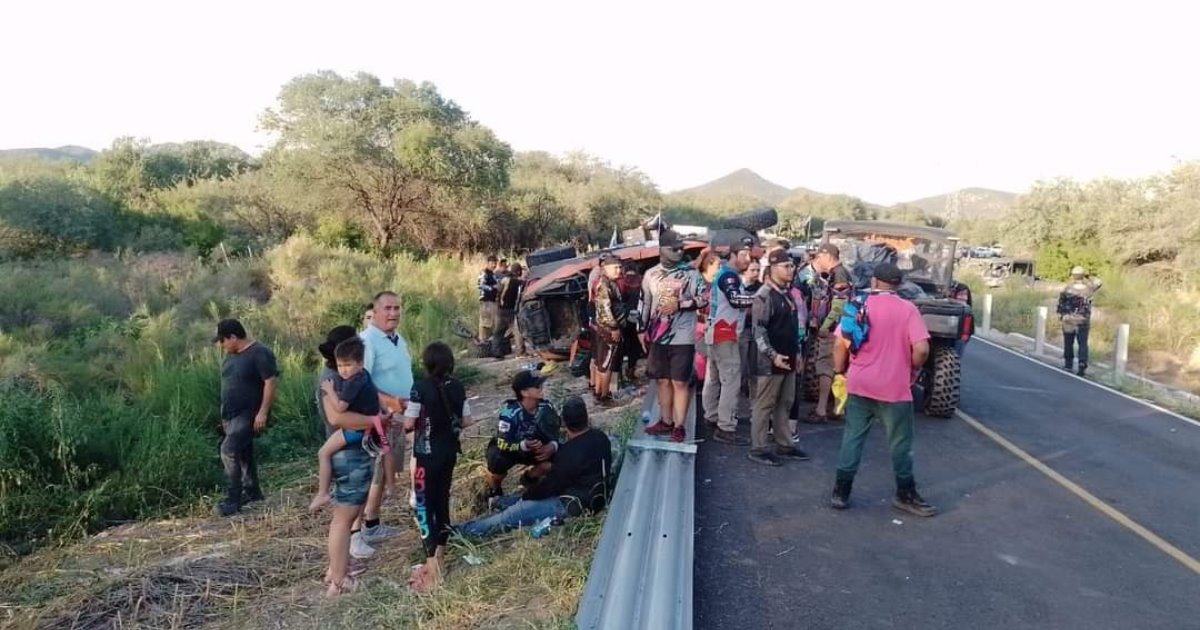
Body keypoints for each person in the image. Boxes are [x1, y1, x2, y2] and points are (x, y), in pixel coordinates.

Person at [830, 262, 937, 517]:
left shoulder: (858, 305)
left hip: (860, 383)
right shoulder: (908, 310)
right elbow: (922, 349)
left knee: (853, 438)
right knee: (900, 443)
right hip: (895, 388)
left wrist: (839, 371)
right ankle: (905, 493)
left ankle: (841, 492)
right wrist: (911, 368)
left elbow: (840, 343)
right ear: (898, 285)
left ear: (876, 282)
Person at [460, 396, 612, 538]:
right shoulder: (600, 437)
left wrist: (528, 492)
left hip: (570, 504)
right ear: (586, 418)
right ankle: (500, 502)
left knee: (510, 516)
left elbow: (548, 488)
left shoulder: (568, 453)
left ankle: (460, 531)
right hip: (591, 495)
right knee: (519, 502)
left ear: (564, 423)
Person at [404, 341, 478, 591]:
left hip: (426, 455)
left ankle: (433, 570)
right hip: (449, 453)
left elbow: (408, 424)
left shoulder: (419, 388)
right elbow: (467, 421)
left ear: (427, 363)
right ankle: (440, 557)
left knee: (424, 507)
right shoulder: (457, 386)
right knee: (442, 501)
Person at [315, 326, 382, 597]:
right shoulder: (334, 379)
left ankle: (336, 570)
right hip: (349, 451)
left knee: (347, 516)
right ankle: (339, 580)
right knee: (343, 519)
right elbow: (337, 418)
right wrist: (376, 421)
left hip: (355, 448)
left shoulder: (349, 377)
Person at [352, 291, 414, 558]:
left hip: (399, 418)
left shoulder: (398, 340)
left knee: (384, 473)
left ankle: (373, 523)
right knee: (370, 474)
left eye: (397, 308)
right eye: (388, 308)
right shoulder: (367, 342)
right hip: (378, 421)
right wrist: (388, 400)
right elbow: (360, 381)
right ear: (374, 312)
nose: (393, 313)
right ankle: (355, 533)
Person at [642, 230, 707, 443]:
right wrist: (641, 330)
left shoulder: (691, 273)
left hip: (683, 337)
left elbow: (705, 298)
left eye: (682, 248)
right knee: (661, 380)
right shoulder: (650, 274)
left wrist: (680, 305)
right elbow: (645, 303)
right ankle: (666, 420)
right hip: (657, 336)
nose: (679, 252)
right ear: (661, 249)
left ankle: (679, 426)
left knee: (680, 382)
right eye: (674, 249)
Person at [747, 250, 810, 466]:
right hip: (768, 363)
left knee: (785, 402)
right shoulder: (764, 296)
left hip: (789, 358)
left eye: (792, 266)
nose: (791, 270)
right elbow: (758, 331)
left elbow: (793, 327)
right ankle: (759, 448)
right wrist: (773, 356)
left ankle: (785, 444)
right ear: (773, 268)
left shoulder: (788, 293)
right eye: (786, 266)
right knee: (764, 405)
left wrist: (798, 353)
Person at [309, 337, 383, 511]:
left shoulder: (352, 382)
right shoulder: (364, 374)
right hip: (366, 426)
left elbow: (341, 408)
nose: (343, 371)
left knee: (323, 453)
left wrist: (329, 391)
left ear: (360, 363)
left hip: (356, 429)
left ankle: (323, 492)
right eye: (340, 365)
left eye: (347, 365)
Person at [214, 319, 278, 517]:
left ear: (233, 337)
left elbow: (270, 382)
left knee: (228, 450)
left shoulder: (260, 353)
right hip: (231, 415)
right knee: (243, 453)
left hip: (249, 414)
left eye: (223, 341)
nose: (221, 345)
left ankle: (233, 500)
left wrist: (263, 412)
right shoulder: (231, 357)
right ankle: (252, 492)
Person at [700, 238, 756, 445]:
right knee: (731, 381)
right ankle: (726, 427)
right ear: (733, 254)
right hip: (726, 334)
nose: (748, 259)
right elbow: (735, 300)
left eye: (750, 255)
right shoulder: (730, 276)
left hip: (717, 332)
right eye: (744, 255)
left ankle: (712, 416)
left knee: (713, 378)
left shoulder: (724, 274)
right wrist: (760, 298)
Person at [480, 370, 562, 503]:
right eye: (537, 386)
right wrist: (522, 445)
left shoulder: (547, 407)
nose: (541, 388)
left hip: (539, 450)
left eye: (541, 385)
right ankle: (495, 489)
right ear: (524, 392)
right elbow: (502, 442)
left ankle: (529, 478)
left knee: (561, 457)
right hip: (515, 449)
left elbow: (557, 432)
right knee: (496, 457)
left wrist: (552, 446)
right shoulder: (509, 413)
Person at [807, 243, 854, 424]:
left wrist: (826, 325)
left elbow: (839, 304)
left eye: (820, 257)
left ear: (827, 256)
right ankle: (837, 408)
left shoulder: (839, 274)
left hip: (835, 328)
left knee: (825, 366)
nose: (819, 261)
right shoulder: (841, 273)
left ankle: (821, 409)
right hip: (842, 327)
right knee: (838, 368)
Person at [592, 254, 631, 406]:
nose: (619, 270)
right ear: (605, 268)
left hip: (605, 328)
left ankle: (600, 393)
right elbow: (605, 309)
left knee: (603, 363)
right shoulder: (604, 284)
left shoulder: (609, 283)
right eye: (615, 267)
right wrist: (614, 328)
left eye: (620, 267)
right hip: (608, 330)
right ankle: (603, 396)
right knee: (607, 364)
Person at [1057, 266, 1103, 376]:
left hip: (1069, 319)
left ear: (1073, 276)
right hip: (1083, 319)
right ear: (1083, 276)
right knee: (1082, 343)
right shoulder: (1089, 288)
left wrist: (1061, 315)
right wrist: (1088, 276)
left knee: (1068, 342)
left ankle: (1068, 364)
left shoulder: (1067, 289)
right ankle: (1082, 364)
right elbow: (1099, 282)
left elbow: (1061, 304)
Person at [736, 259, 763, 424]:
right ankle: (734, 409)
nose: (755, 274)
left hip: (756, 332)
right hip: (742, 331)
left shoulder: (760, 288)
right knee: (739, 372)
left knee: (755, 372)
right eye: (752, 270)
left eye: (757, 270)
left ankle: (755, 410)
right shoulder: (737, 287)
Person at [617, 262, 645, 384]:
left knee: (625, 345)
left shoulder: (621, 282)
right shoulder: (641, 280)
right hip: (638, 317)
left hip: (625, 318)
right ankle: (631, 369)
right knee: (636, 345)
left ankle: (624, 374)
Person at [492, 262, 526, 358]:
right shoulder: (517, 282)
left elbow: (497, 291)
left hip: (500, 310)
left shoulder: (504, 279)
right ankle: (521, 352)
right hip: (510, 311)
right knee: (517, 331)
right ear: (518, 271)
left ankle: (496, 352)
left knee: (498, 333)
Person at [478, 256, 500, 342]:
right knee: (485, 322)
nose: (494, 265)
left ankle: (488, 341)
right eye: (492, 263)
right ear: (488, 263)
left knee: (492, 322)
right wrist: (493, 287)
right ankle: (482, 341)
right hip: (486, 300)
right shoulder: (484, 273)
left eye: (495, 263)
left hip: (493, 301)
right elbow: (480, 285)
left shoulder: (493, 274)